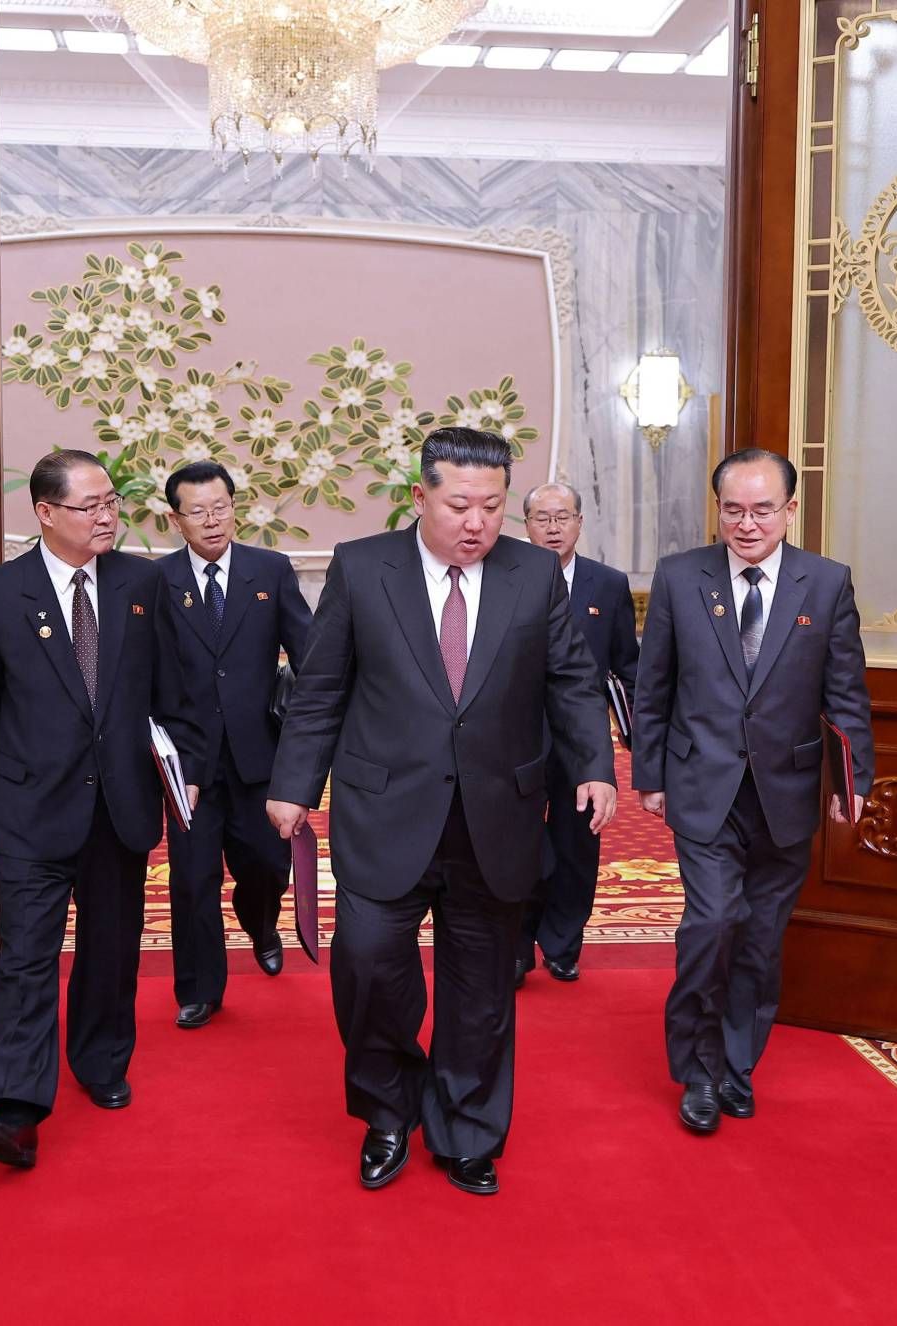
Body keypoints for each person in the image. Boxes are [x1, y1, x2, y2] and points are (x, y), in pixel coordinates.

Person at [266, 428, 616, 1196]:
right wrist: (293, 784)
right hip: (383, 810)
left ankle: (467, 1127)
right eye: (459, 504)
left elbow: (571, 681)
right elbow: (321, 688)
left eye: (492, 506)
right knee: (368, 966)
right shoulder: (363, 567)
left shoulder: (532, 572)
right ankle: (389, 1109)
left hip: (497, 813)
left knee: (482, 984)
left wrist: (595, 766)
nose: (477, 522)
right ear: (420, 497)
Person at [0, 449, 203, 1170]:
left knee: (110, 947)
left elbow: (176, 692)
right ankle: (16, 1108)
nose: (106, 516)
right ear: (46, 513)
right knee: (26, 954)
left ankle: (101, 1060)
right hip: (29, 804)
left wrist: (188, 770)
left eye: (111, 502)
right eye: (89, 506)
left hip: (119, 802)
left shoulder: (141, 584)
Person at [632, 447, 873, 1136]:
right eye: (733, 510)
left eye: (762, 510)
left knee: (761, 939)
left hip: (786, 791)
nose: (747, 524)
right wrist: (650, 775)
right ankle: (699, 1071)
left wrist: (853, 779)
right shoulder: (681, 577)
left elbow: (846, 692)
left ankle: (737, 1067)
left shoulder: (825, 583)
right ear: (718, 509)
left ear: (790, 510)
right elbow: (654, 686)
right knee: (711, 925)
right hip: (702, 785)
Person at [157, 461, 312, 1029]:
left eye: (220, 507)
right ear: (175, 520)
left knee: (266, 865)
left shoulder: (269, 570)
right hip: (189, 761)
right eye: (197, 511)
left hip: (259, 756)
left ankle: (262, 923)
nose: (212, 520)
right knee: (192, 878)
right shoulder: (158, 581)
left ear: (233, 508)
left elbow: (309, 653)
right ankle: (199, 988)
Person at [518, 481, 639, 985]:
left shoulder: (607, 585)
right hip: (516, 737)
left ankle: (563, 943)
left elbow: (627, 666)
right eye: (542, 518)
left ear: (580, 522)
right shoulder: (506, 577)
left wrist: (637, 736)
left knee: (577, 844)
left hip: (581, 740)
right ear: (526, 525)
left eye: (562, 517)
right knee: (519, 844)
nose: (553, 527)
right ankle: (517, 944)